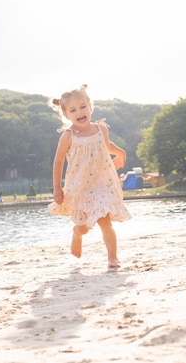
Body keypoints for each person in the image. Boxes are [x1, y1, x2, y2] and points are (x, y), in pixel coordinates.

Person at [48, 84, 132, 269]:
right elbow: (58, 162)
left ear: (90, 107)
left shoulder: (101, 129)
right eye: (73, 110)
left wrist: (121, 153)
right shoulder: (68, 137)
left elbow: (107, 146)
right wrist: (57, 187)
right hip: (80, 188)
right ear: (66, 115)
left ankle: (112, 258)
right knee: (84, 226)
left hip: (103, 183)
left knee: (105, 221)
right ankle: (77, 234)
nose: (79, 112)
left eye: (83, 107)